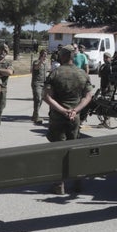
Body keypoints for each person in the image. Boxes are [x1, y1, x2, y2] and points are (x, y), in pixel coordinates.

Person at [43, 45, 94, 195]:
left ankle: (59, 185)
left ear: (63, 56)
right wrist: (75, 110)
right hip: (75, 117)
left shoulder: (55, 73)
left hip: (58, 117)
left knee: (58, 150)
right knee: (75, 149)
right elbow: (88, 96)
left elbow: (46, 96)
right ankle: (77, 183)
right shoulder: (82, 74)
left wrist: (63, 110)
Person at [30, 48, 50, 125]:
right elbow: (36, 68)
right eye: (43, 55)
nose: (45, 56)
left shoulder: (46, 62)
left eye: (46, 55)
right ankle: (36, 116)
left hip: (44, 83)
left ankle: (35, 114)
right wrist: (40, 61)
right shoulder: (36, 62)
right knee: (38, 98)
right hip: (36, 83)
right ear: (40, 55)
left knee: (40, 99)